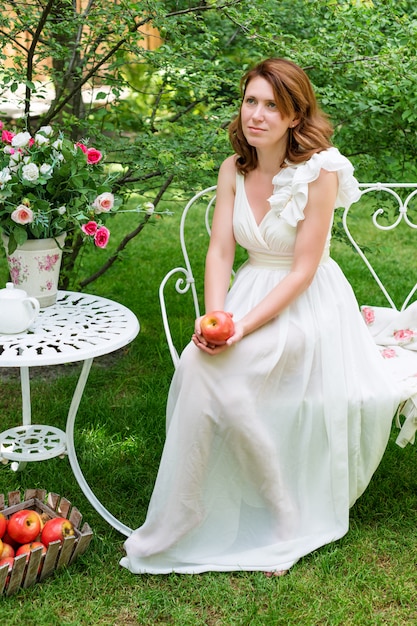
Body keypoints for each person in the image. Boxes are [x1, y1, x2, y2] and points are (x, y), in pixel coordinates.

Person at [120, 58, 412, 576]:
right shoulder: (234, 168)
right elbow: (219, 253)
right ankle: (192, 504)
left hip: (309, 307)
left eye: (272, 106)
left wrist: (242, 327)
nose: (257, 115)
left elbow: (302, 270)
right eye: (250, 101)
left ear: (295, 115)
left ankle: (280, 512)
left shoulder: (320, 172)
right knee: (197, 363)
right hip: (248, 292)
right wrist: (216, 315)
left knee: (222, 370)